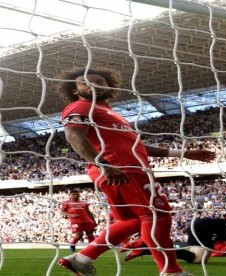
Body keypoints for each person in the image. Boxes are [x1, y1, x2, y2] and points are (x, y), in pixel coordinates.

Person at [55, 67, 216, 276]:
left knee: (133, 220)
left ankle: (82, 258)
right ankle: (171, 272)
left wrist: (183, 153)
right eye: (86, 82)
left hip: (130, 168)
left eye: (100, 81)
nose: (95, 84)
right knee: (157, 215)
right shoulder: (81, 106)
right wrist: (104, 164)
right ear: (75, 90)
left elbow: (137, 146)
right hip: (119, 168)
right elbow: (74, 136)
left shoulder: (112, 114)